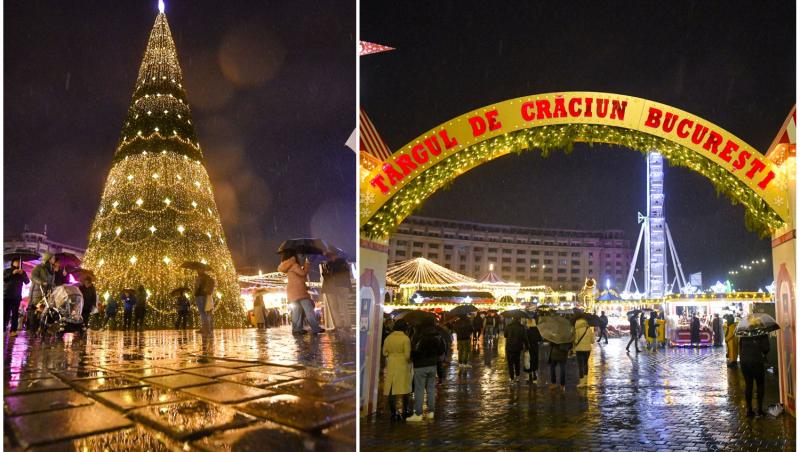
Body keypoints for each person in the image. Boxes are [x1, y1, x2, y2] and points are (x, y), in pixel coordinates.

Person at [408, 321, 447, 421]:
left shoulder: (418, 335)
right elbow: (442, 349)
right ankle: (431, 412)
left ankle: (418, 414)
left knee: (419, 389)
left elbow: (413, 350)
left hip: (420, 365)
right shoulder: (437, 334)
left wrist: (413, 358)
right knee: (431, 389)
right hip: (432, 365)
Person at [278, 251, 324, 335]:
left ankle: (296, 329)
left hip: (292, 292)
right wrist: (307, 264)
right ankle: (315, 328)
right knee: (309, 310)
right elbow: (303, 273)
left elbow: (297, 277)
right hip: (299, 291)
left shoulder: (287, 266)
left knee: (296, 311)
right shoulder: (294, 265)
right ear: (293, 257)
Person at [382, 319, 412, 420]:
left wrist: (391, 355)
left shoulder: (388, 338)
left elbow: (384, 352)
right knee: (405, 387)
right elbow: (407, 355)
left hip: (391, 363)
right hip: (402, 364)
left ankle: (393, 412)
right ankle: (406, 410)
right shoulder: (405, 339)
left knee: (391, 388)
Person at [739, 334, 770, 417]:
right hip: (757, 362)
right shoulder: (762, 333)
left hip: (744, 362)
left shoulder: (744, 333)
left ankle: (749, 410)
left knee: (748, 385)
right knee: (760, 384)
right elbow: (766, 349)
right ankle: (759, 409)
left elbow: (740, 348)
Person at [321, 251, 352, 329]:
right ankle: (338, 325)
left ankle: (347, 325)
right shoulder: (328, 264)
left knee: (342, 305)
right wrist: (324, 270)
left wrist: (329, 269)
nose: (328, 258)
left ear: (335, 254)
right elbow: (327, 277)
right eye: (328, 256)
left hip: (340, 286)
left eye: (330, 255)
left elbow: (343, 275)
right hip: (330, 287)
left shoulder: (342, 262)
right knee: (334, 307)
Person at [27, 253, 55, 332]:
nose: (54, 259)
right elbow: (33, 276)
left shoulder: (52, 269)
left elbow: (52, 282)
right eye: (53, 258)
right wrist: (41, 282)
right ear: (48, 258)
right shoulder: (39, 267)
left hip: (47, 293)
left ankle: (42, 329)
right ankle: (32, 330)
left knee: (45, 311)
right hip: (37, 292)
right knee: (35, 310)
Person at [4, 258, 30, 336]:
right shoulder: (7, 270)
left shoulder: (22, 272)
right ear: (13, 262)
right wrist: (12, 273)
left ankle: (13, 331)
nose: (18, 263)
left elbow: (27, 282)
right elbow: (4, 279)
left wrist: (22, 274)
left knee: (15, 314)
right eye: (17, 261)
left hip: (16, 296)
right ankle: (3, 329)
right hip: (6, 295)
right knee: (5, 313)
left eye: (20, 262)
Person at [504, 316, 528, 383]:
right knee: (517, 362)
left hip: (509, 347)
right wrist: (527, 346)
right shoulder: (521, 327)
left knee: (510, 363)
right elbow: (524, 337)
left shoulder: (508, 326)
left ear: (512, 319)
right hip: (518, 347)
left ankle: (512, 378)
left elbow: (505, 335)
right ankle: (517, 377)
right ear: (519, 319)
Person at [194, 268, 216, 337]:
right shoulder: (208, 278)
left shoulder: (201, 278)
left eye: (198, 270)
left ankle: (205, 329)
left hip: (200, 296)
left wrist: (196, 283)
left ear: (202, 270)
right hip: (206, 296)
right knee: (207, 313)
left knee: (203, 313)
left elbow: (197, 288)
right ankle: (207, 328)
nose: (197, 271)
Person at [574, 316, 594, 387]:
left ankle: (581, 382)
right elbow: (593, 341)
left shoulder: (577, 330)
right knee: (585, 364)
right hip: (588, 349)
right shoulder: (589, 330)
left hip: (579, 349)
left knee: (580, 365)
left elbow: (575, 341)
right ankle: (585, 381)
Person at [524, 317, 543, 383]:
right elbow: (540, 339)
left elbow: (525, 340)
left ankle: (530, 376)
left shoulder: (527, 330)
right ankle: (534, 374)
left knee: (529, 361)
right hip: (535, 347)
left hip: (529, 348)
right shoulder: (536, 330)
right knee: (534, 360)